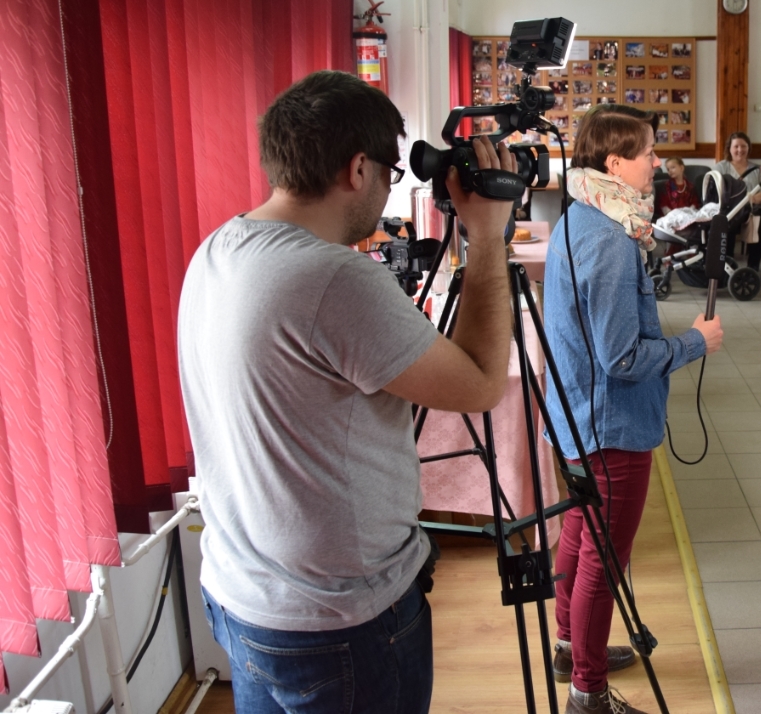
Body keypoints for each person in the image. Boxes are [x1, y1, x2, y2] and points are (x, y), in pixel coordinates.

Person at [178, 70, 517, 713]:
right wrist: (488, 235)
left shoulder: (219, 248)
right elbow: (478, 384)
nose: (389, 189)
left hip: (243, 595)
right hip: (338, 622)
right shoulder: (332, 277)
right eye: (391, 172)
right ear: (357, 169)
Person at [544, 104, 724, 714]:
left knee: (578, 536)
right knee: (602, 562)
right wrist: (694, 343)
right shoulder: (611, 242)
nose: (656, 160)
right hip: (610, 428)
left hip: (576, 418)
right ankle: (588, 692)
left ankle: (569, 648)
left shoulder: (579, 214)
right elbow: (621, 358)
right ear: (615, 163)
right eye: (648, 152)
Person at [712, 131, 761, 271]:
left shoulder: (758, 169)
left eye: (743, 146)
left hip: (751, 209)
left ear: (748, 148)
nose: (740, 150)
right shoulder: (721, 167)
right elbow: (715, 192)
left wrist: (752, 199)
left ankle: (753, 266)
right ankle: (728, 265)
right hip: (729, 210)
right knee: (726, 223)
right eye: (736, 146)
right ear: (729, 148)